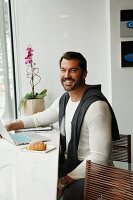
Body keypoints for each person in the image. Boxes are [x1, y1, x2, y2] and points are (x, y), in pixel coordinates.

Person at [6, 51, 119, 200]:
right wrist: (10, 126)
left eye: (73, 70)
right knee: (38, 180)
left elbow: (100, 157)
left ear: (84, 73)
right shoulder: (65, 99)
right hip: (74, 165)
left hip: (95, 174)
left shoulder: (96, 107)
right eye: (63, 70)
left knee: (60, 195)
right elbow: (39, 119)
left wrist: (64, 180)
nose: (67, 75)